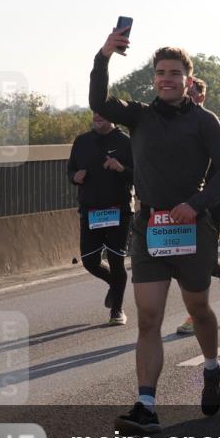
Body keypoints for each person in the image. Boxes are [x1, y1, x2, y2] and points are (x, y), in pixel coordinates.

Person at [91, 27, 220, 434]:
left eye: (175, 73)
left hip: (193, 228)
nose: (167, 79)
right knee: (149, 318)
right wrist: (103, 56)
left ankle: (211, 367)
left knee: (198, 310)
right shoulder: (139, 115)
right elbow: (98, 101)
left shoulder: (205, 121)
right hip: (149, 228)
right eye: (160, 72)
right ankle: (146, 404)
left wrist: (196, 205)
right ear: (153, 78)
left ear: (188, 80)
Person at [177, 78, 220, 334]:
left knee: (200, 260)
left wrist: (210, 193)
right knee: (185, 259)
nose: (191, 96)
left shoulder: (215, 123)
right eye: (188, 91)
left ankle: (195, 314)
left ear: (203, 97)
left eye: (196, 93)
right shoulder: (170, 125)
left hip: (208, 204)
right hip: (178, 204)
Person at [67, 112, 134, 325]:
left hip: (118, 210)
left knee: (116, 261)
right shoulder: (82, 141)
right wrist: (74, 177)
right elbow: (71, 169)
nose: (97, 116)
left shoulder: (125, 142)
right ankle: (115, 285)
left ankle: (117, 311)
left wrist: (121, 168)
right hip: (90, 211)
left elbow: (140, 174)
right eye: (94, 112)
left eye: (102, 113)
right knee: (90, 261)